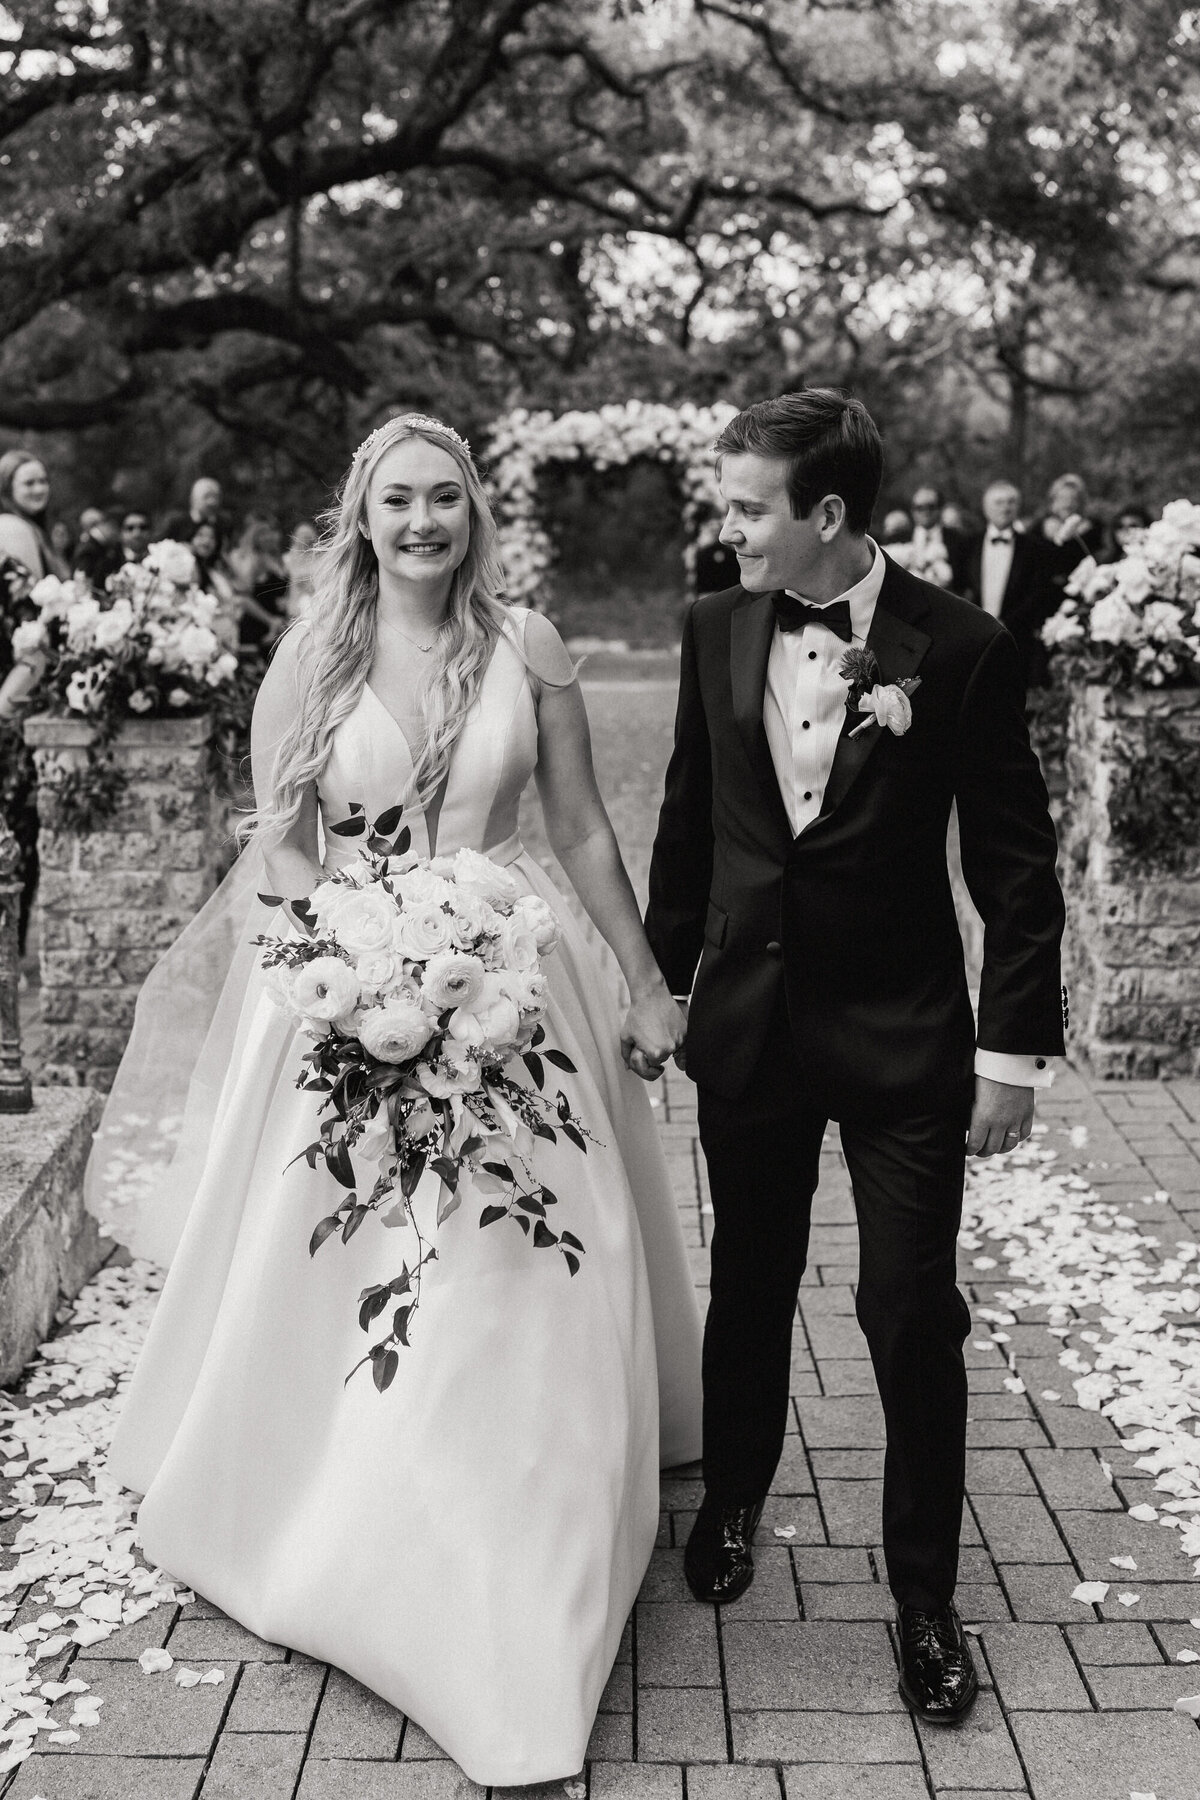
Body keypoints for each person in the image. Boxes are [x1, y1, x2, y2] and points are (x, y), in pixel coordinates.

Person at [90, 413, 703, 1786]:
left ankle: (523, 1538)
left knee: (518, 1267)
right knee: (353, 1258)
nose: (422, 523)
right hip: (347, 1002)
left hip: (512, 985)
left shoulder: (531, 646)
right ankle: (349, 1509)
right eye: (396, 502)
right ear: (360, 518)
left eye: (444, 500)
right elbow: (276, 850)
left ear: (476, 513)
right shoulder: (312, 659)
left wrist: (650, 986)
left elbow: (585, 829)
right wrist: (344, 977)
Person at [644, 389, 1065, 1726]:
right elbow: (688, 826)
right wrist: (658, 990)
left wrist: (1012, 1056)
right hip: (750, 1030)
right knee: (751, 1286)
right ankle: (737, 1502)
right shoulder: (715, 626)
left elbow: (1015, 866)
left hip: (903, 1039)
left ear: (827, 514)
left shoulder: (965, 646)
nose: (732, 531)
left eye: (750, 507)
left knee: (906, 1313)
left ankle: (926, 1600)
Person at [953, 480, 1054, 690]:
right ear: (986, 508)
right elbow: (959, 586)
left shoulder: (1034, 548)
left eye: (1011, 502)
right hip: (974, 636)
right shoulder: (967, 545)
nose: (1005, 507)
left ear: (1018, 507)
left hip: (1018, 637)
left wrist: (1006, 622)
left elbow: (1037, 593)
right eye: (999, 502)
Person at [0, 448, 68, 584]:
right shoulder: (13, 527)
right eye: (29, 483)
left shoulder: (32, 526)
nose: (39, 489)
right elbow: (32, 595)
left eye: (43, 481)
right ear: (8, 488)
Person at [227, 514, 288, 649]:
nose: (268, 537)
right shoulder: (252, 558)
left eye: (270, 532)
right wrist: (270, 620)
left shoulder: (275, 557)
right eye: (262, 533)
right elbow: (244, 590)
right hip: (259, 621)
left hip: (278, 620)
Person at [161, 476, 230, 552]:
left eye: (216, 497)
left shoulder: (222, 524)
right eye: (207, 496)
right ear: (193, 499)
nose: (212, 502)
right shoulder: (176, 522)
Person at [282, 518, 318, 619]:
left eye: (307, 536)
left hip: (314, 606)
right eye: (302, 536)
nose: (305, 540)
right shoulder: (286, 559)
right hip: (293, 608)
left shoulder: (320, 559)